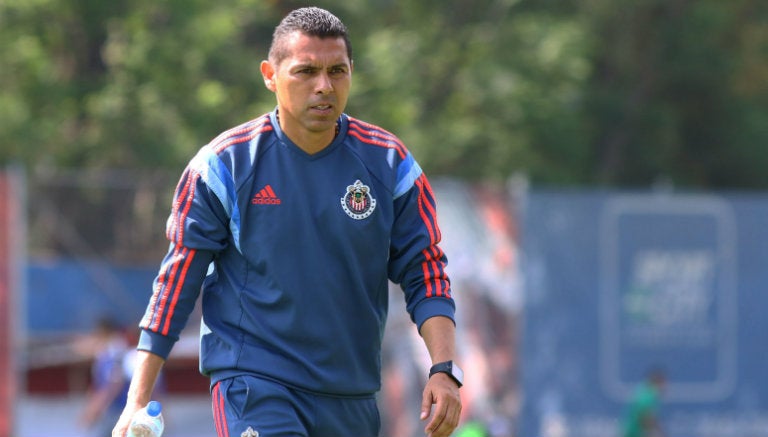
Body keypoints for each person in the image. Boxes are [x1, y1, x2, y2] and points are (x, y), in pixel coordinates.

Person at [112, 7, 462, 437]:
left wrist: (445, 369)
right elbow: (177, 282)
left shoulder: (390, 164)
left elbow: (425, 271)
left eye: (337, 71)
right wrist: (136, 399)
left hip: (351, 396)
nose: (324, 86)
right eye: (306, 71)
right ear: (269, 75)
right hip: (254, 385)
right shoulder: (223, 167)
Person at [79, 318, 131, 437]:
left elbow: (114, 385)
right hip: (113, 411)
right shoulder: (109, 351)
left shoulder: (115, 354)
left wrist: (94, 409)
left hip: (117, 412)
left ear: (103, 332)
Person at [621, 369, 666, 437]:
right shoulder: (649, 394)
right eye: (663, 384)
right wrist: (654, 432)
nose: (665, 387)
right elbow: (644, 415)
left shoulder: (643, 391)